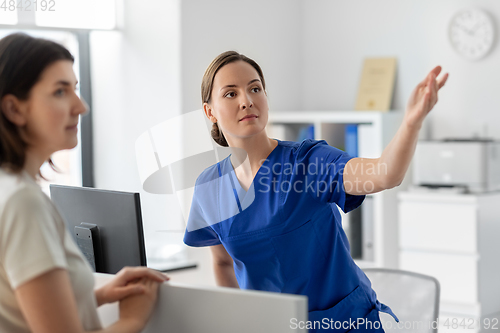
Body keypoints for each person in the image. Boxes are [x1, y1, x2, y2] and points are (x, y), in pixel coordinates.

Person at [184, 51, 448, 332]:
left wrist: (411, 122)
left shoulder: (309, 162)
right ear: (209, 111)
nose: (247, 100)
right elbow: (223, 262)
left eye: (255, 88)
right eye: (230, 94)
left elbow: (384, 173)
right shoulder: (208, 188)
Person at [0, 33, 168, 333]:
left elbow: (19, 308)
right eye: (61, 92)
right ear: (14, 109)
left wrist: (98, 296)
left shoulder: (7, 189)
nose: (81, 107)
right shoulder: (21, 203)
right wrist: (132, 320)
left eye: (75, 89)